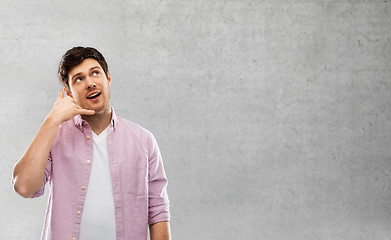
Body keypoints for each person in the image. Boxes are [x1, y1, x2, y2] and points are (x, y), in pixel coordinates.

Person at [12, 47, 171, 240]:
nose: (90, 83)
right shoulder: (55, 137)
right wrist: (51, 121)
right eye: (79, 79)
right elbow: (24, 187)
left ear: (108, 78)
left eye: (95, 73)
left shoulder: (144, 140)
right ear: (69, 93)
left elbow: (158, 210)